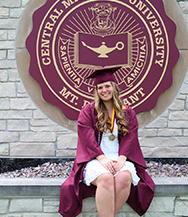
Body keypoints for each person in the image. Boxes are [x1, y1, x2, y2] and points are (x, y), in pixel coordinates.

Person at [59, 67, 155, 217]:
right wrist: (102, 158)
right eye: (100, 87)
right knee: (106, 178)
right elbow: (87, 138)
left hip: (120, 157)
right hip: (95, 158)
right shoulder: (88, 111)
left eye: (107, 86)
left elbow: (131, 137)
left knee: (124, 178)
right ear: (96, 91)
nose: (104, 90)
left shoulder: (127, 112)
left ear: (114, 87)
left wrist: (122, 158)